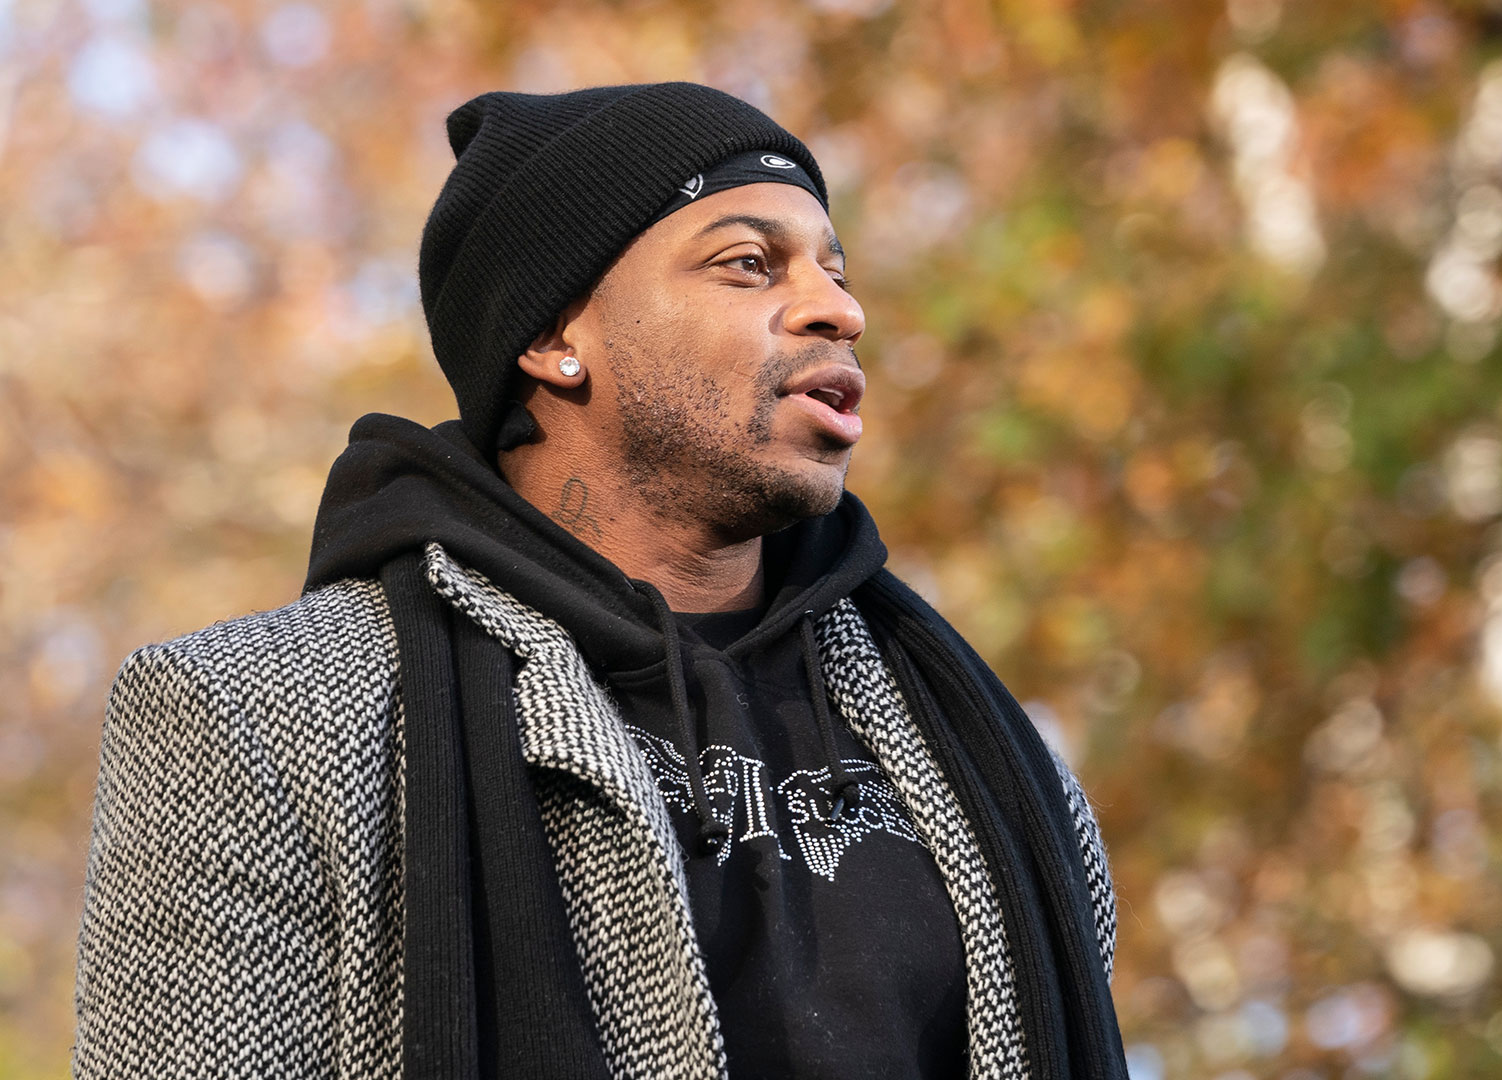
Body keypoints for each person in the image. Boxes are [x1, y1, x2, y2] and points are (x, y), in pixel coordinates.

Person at [73, 83, 1124, 1079]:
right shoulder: (261, 715)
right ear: (554, 338)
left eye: (836, 270)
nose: (836, 310)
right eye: (750, 264)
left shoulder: (990, 755)